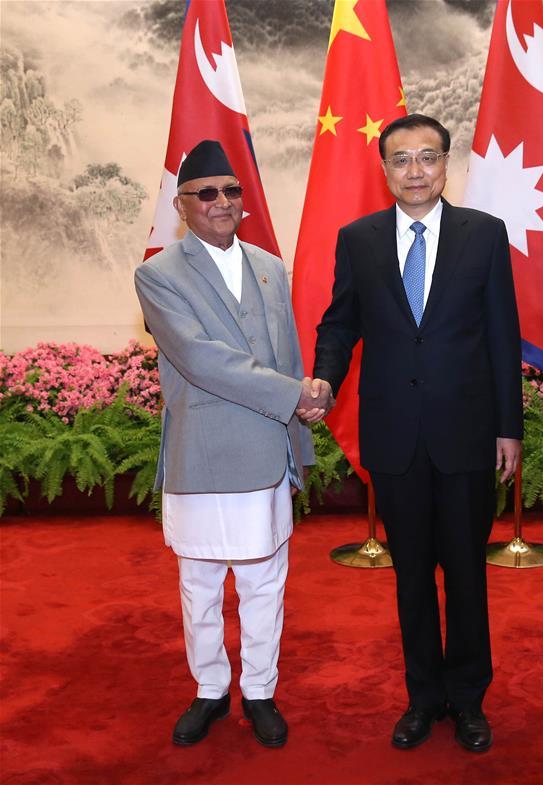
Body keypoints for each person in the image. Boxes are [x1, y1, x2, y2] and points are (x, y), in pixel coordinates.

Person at [302, 114, 523, 753]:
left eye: (429, 157)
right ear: (385, 169)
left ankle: (469, 699)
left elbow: (504, 335)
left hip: (467, 432)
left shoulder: (483, 235)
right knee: (410, 578)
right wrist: (324, 378)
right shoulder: (360, 239)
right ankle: (423, 698)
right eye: (402, 160)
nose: (416, 171)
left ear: (447, 163)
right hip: (395, 434)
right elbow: (340, 322)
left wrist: (508, 427)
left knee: (465, 572)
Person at [134, 140, 315, 749]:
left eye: (231, 190)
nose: (221, 202)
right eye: (206, 193)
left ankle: (260, 689)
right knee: (201, 585)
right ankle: (210, 689)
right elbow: (201, 360)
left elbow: (287, 352)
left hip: (268, 449)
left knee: (267, 582)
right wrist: (294, 394)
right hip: (204, 454)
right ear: (182, 205)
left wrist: (301, 433)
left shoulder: (268, 264)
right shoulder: (158, 273)